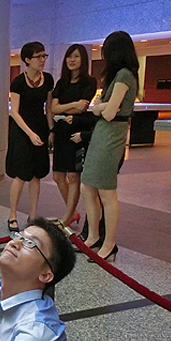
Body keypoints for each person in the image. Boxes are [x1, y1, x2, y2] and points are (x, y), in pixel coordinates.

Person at [81, 31, 139, 262]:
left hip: (111, 135)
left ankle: (109, 243)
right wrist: (100, 107)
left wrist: (99, 106)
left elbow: (108, 111)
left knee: (106, 191)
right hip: (102, 134)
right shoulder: (117, 76)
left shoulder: (125, 75)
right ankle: (93, 235)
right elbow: (100, 107)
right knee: (88, 187)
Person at [6, 42, 54, 232]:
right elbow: (14, 112)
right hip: (21, 130)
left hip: (40, 127)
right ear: (27, 60)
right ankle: (12, 214)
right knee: (21, 174)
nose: (42, 60)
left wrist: (51, 131)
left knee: (36, 174)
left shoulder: (48, 80)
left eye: (44, 56)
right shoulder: (18, 82)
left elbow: (49, 108)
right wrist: (30, 134)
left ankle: (33, 214)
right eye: (38, 56)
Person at [50, 45, 97, 226]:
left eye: (76, 56)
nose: (72, 60)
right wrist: (73, 105)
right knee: (57, 177)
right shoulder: (62, 82)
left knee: (73, 176)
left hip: (76, 131)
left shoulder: (89, 82)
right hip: (62, 131)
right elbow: (54, 109)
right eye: (69, 56)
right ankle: (74, 212)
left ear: (83, 59)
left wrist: (67, 107)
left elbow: (83, 107)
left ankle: (67, 216)